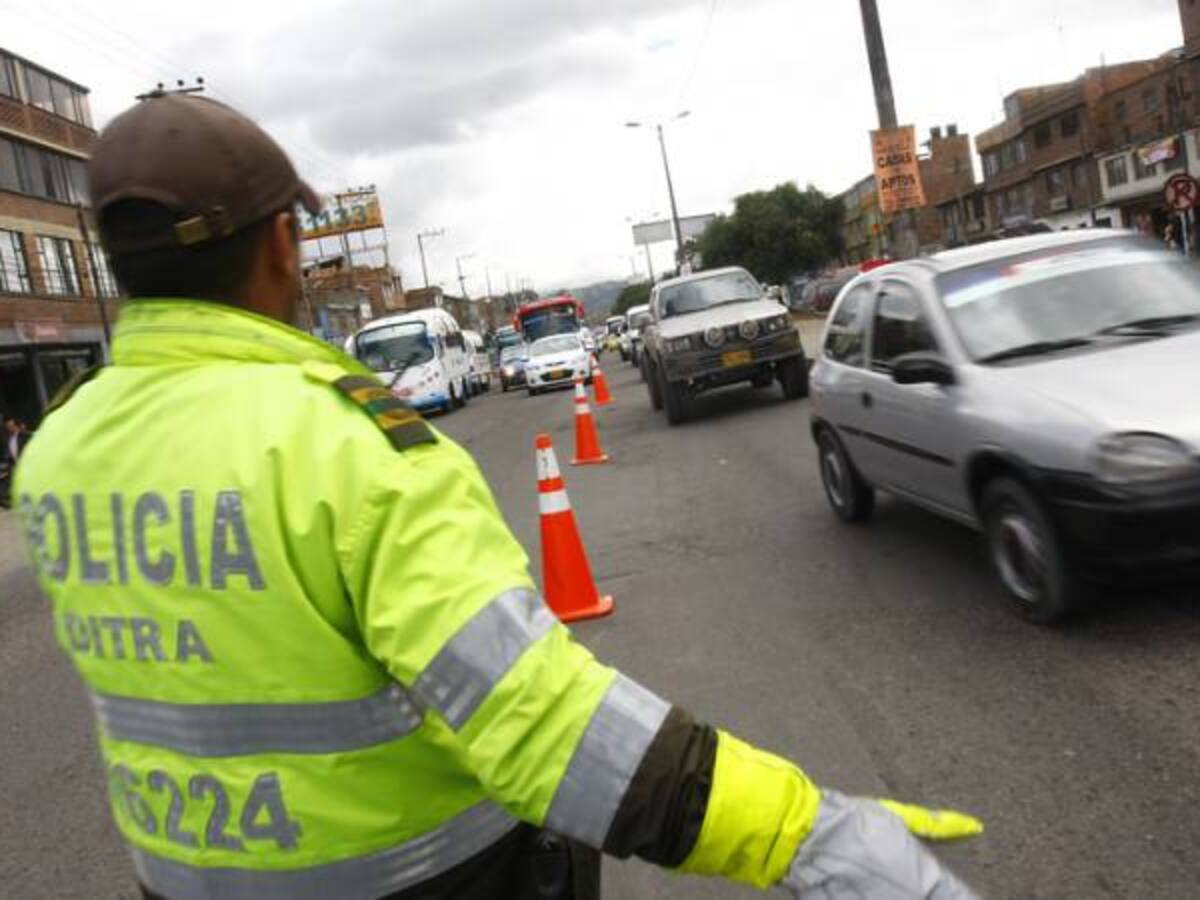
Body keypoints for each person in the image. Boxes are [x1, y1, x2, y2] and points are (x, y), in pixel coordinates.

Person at [13, 92, 983, 900]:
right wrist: (805, 834)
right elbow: (542, 727)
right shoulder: (347, 447)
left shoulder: (60, 450)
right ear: (279, 245)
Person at [0, 413, 31, 509]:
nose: (8, 427)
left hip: (29, 466)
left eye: (10, 424)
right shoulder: (9, 439)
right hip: (18, 469)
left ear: (14, 424)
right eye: (7, 425)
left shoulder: (25, 435)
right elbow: (10, 456)